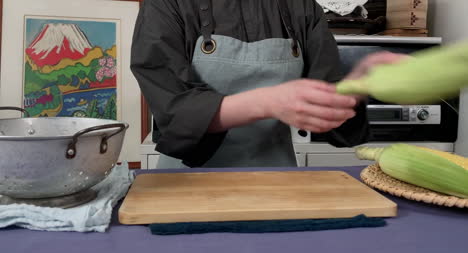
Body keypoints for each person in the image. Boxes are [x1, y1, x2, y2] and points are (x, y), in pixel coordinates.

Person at [130, 0, 406, 168]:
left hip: (277, 180)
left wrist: (359, 82)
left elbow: (327, 104)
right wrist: (270, 101)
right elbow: (174, 111)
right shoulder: (167, 4)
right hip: (186, 184)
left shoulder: (302, 6)